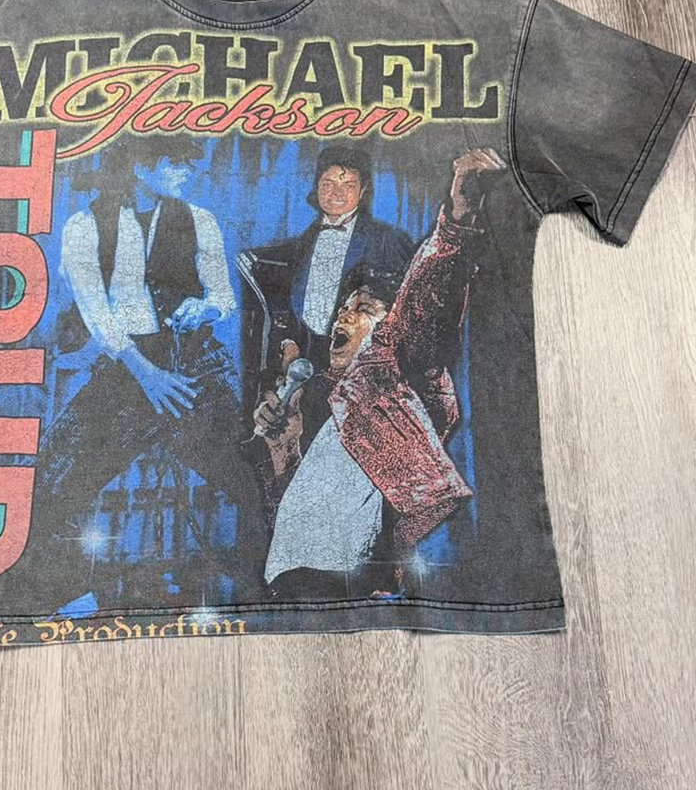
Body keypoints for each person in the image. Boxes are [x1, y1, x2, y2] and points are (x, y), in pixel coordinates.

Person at [252, 147, 505, 599]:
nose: (343, 316)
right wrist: (282, 446)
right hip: (290, 584)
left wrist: (457, 219)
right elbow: (297, 503)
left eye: (362, 308)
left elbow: (424, 298)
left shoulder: (393, 377)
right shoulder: (324, 399)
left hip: (352, 582)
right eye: (343, 309)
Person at [34, 135, 269, 604]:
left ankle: (262, 590)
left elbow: (222, 297)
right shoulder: (84, 226)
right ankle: (61, 593)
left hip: (192, 367)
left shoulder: (200, 220)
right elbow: (97, 314)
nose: (188, 172)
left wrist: (203, 309)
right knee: (52, 480)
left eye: (189, 163)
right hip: (125, 369)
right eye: (175, 162)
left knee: (255, 478)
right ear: (140, 166)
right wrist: (146, 375)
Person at [239, 144, 414, 393]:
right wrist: (288, 344)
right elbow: (287, 307)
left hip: (359, 373)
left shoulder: (389, 240)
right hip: (305, 369)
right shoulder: (300, 245)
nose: (336, 193)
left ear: (363, 191)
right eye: (328, 183)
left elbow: (404, 314)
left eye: (348, 185)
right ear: (317, 187)